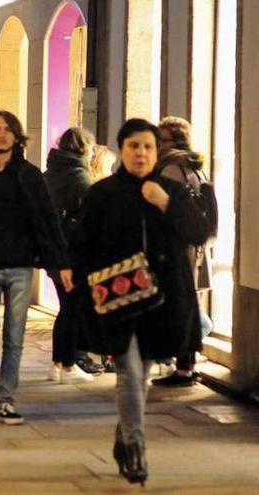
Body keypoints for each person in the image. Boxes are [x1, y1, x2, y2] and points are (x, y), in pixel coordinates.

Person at [73, 118, 209, 485]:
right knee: (129, 371)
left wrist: (166, 203)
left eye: (148, 146)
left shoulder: (169, 190)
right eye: (134, 146)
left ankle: (124, 433)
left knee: (142, 374)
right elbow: (83, 244)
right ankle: (135, 446)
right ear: (122, 150)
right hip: (117, 298)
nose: (141, 153)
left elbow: (198, 231)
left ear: (156, 151)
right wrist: (84, 287)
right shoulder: (103, 194)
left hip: (160, 302)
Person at [0, 111, 71, 425]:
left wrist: (61, 263)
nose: (1, 135)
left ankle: (6, 398)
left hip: (21, 265)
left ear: (17, 136)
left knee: (14, 336)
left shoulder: (30, 175)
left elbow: (48, 219)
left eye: (7, 130)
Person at [151, 116, 213, 388]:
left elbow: (166, 214)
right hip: (194, 247)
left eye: (160, 139)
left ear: (174, 141)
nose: (156, 145)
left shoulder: (170, 170)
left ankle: (183, 368)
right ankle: (186, 364)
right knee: (189, 304)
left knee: (181, 306)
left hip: (177, 249)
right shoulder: (195, 166)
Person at [42, 127, 98, 384]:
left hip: (53, 252)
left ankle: (58, 364)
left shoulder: (50, 172)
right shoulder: (79, 176)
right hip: (73, 254)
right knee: (72, 309)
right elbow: (91, 216)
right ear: (85, 148)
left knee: (66, 307)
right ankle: (68, 364)